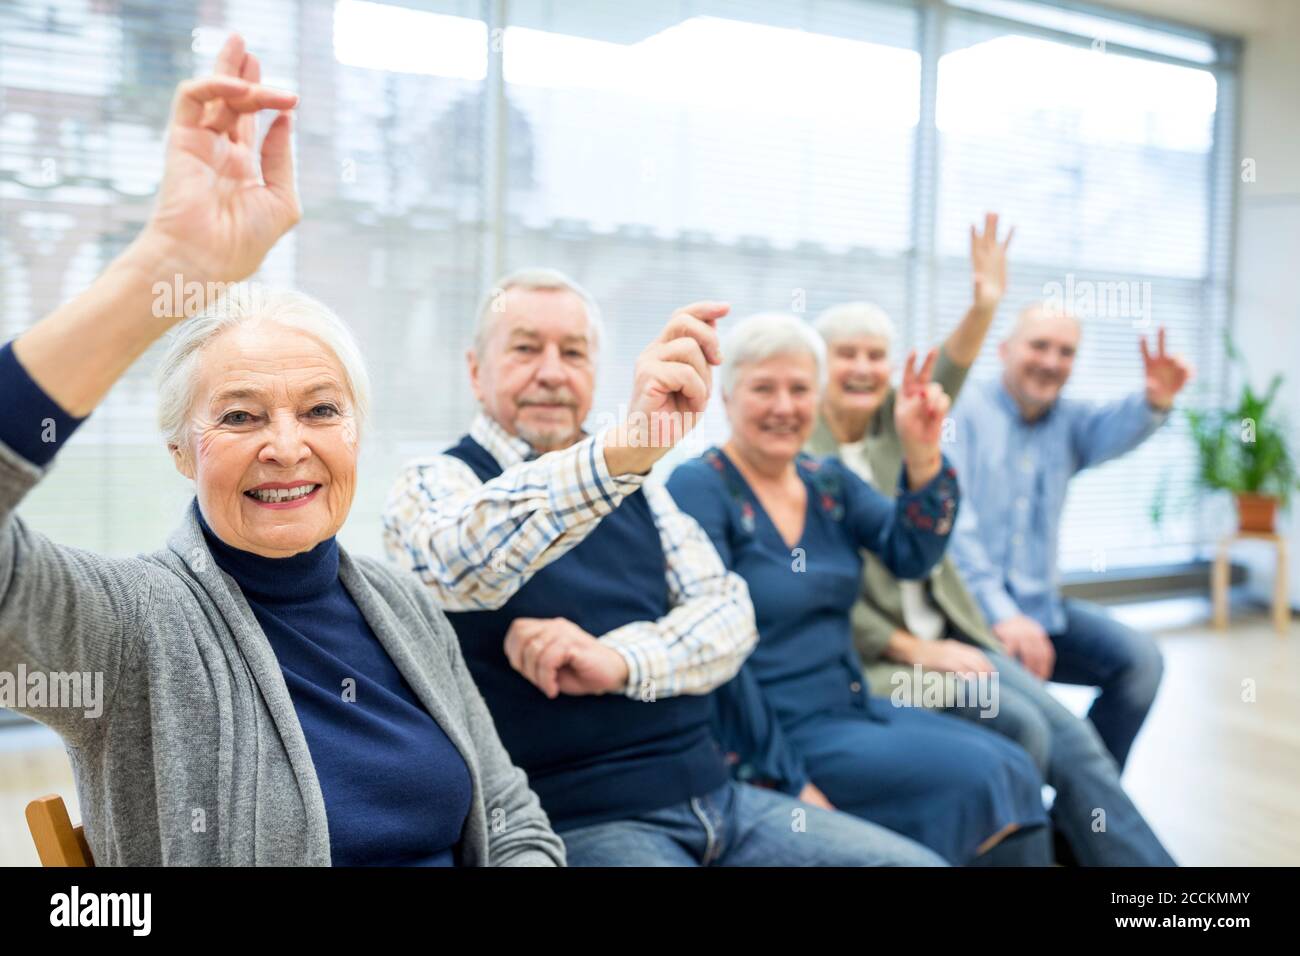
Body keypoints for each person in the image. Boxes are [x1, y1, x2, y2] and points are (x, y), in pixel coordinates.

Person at [0, 34, 564, 866]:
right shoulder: (126, 627)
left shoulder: (400, 607)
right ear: (181, 451)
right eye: (239, 417)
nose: (286, 446)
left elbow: (512, 816)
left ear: (355, 436)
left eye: (320, 410)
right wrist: (164, 266)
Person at [382, 269, 945, 866]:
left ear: (595, 372)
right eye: (525, 349)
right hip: (582, 820)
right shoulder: (436, 481)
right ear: (475, 370)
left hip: (723, 798)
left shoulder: (641, 489)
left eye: (573, 352)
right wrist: (620, 452)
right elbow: (458, 565)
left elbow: (731, 618)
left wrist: (618, 661)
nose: (551, 371)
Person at [806, 216, 1175, 865]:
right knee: (1030, 731)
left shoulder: (900, 427)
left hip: (959, 633)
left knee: (1074, 739)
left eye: (875, 355)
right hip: (887, 659)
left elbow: (949, 369)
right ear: (817, 367)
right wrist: (918, 647)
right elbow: (818, 592)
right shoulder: (802, 456)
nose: (863, 367)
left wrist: (984, 304)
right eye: (846, 354)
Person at [667, 311, 1053, 865]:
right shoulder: (699, 486)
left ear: (818, 398)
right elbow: (715, 654)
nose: (783, 406)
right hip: (774, 728)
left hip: (849, 707)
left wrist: (922, 457)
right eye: (763, 389)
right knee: (988, 775)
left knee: (1012, 762)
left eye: (799, 389)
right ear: (727, 399)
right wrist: (788, 779)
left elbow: (912, 553)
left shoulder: (826, 481)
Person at [948, 302, 1193, 771]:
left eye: (1066, 351)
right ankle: (1086, 807)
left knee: (1140, 664)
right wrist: (1002, 614)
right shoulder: (962, 413)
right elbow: (956, 527)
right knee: (1042, 729)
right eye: (1039, 345)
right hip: (972, 619)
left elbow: (1117, 425)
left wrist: (1156, 401)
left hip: (1043, 614)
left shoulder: (1068, 421)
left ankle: (1079, 822)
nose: (1051, 361)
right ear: (1004, 349)